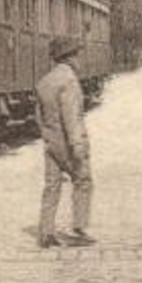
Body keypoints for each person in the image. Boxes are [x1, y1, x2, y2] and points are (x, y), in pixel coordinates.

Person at [35, 36, 93, 248]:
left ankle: (46, 232)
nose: (79, 59)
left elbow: (38, 116)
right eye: (77, 55)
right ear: (69, 58)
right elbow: (72, 116)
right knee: (83, 181)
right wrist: (77, 145)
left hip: (50, 142)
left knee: (51, 185)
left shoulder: (44, 81)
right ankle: (79, 229)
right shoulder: (69, 81)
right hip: (68, 143)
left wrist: (47, 136)